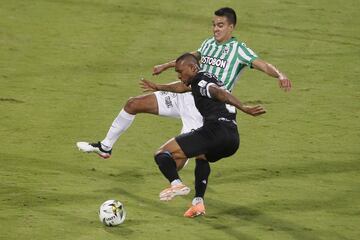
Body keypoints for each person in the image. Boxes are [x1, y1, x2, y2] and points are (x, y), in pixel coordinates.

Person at [76, 7, 291, 159]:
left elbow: (261, 64)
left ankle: (182, 190)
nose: (216, 29)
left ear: (231, 27)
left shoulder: (239, 49)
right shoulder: (208, 43)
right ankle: (106, 147)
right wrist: (166, 65)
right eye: (214, 24)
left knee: (177, 154)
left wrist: (280, 75)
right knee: (133, 103)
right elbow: (191, 57)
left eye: (221, 25)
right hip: (183, 92)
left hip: (204, 107)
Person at [148, 53, 265, 217]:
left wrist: (243, 107)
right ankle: (198, 203)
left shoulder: (201, 82)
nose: (179, 75)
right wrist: (159, 87)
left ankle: (176, 184)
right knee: (201, 155)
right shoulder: (204, 79)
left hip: (215, 131)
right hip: (232, 139)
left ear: (193, 67)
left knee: (161, 154)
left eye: (180, 71)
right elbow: (183, 87)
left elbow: (217, 92)